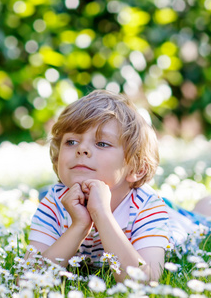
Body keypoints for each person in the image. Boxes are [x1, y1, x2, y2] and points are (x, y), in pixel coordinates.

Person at [26, 90, 171, 282]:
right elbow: (28, 280)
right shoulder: (53, 204)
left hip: (178, 222)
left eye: (102, 143)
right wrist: (79, 225)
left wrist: (101, 215)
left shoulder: (148, 207)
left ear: (136, 168)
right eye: (71, 141)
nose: (81, 149)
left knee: (205, 208)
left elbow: (146, 281)